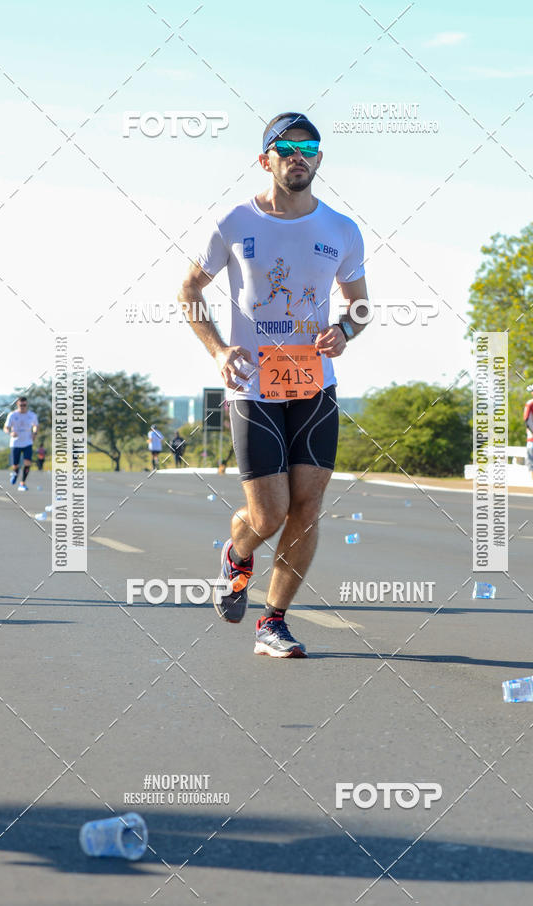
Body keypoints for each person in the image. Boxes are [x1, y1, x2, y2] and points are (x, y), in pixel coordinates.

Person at [180, 111, 368, 658]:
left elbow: (359, 306)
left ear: (320, 158)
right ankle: (237, 558)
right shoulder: (233, 222)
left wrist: (345, 330)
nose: (298, 155)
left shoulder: (341, 229)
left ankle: (274, 623)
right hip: (253, 386)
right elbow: (189, 288)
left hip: (314, 385)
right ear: (265, 159)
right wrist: (217, 350)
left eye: (308, 146)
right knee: (268, 514)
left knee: (306, 508)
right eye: (285, 147)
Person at [4, 396, 39, 491]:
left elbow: (36, 425)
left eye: (24, 405)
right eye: (21, 405)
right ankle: (15, 473)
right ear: (17, 404)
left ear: (26, 404)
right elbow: (6, 427)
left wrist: (34, 433)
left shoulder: (32, 415)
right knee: (15, 465)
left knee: (27, 462)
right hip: (15, 443)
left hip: (27, 442)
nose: (23, 406)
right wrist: (10, 433)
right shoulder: (12, 415)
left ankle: (22, 483)